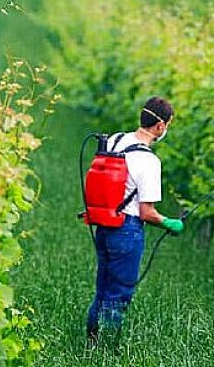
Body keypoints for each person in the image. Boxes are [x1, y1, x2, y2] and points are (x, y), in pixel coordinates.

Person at [86, 96, 184, 346]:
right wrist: (169, 223)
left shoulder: (116, 139)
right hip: (126, 231)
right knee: (119, 294)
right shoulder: (149, 161)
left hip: (104, 225)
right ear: (160, 126)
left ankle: (91, 343)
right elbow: (146, 212)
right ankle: (106, 350)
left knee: (103, 288)